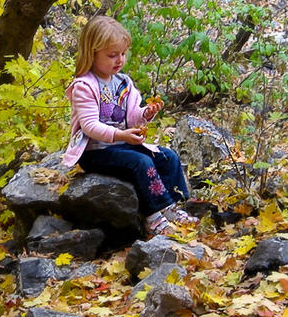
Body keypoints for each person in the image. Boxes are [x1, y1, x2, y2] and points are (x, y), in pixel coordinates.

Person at [62, 15, 198, 237]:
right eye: (112, 55)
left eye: (123, 54)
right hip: (95, 152)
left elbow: (131, 116)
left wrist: (146, 113)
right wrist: (120, 135)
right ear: (92, 53)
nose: (119, 60)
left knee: (168, 157)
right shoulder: (84, 86)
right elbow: (89, 126)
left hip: (121, 144)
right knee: (141, 163)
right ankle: (153, 216)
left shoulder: (123, 82)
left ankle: (173, 205)